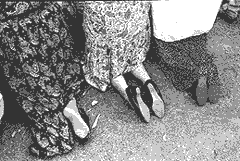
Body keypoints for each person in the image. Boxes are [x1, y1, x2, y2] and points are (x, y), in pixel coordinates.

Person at [0, 2, 90, 158]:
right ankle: (70, 105)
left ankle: (57, 130)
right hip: (46, 14)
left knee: (33, 83)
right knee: (58, 65)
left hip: (13, 28)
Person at [82, 1, 165, 123]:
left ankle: (129, 93)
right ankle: (148, 82)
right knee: (135, 59)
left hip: (106, 20)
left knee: (112, 70)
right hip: (134, 16)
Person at [151, 0, 223, 106]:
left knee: (169, 54)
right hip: (200, 16)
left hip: (170, 23)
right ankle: (208, 69)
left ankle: (194, 77)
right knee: (197, 44)